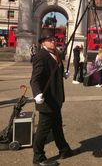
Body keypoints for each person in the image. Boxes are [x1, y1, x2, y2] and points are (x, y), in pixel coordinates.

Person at [30, 30, 73, 166]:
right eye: (50, 39)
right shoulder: (40, 56)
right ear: (43, 42)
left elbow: (55, 71)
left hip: (56, 98)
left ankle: (64, 149)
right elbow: (35, 79)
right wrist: (37, 94)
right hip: (47, 100)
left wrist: (63, 73)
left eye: (54, 39)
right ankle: (38, 157)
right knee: (43, 129)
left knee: (57, 126)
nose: (53, 41)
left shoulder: (56, 54)